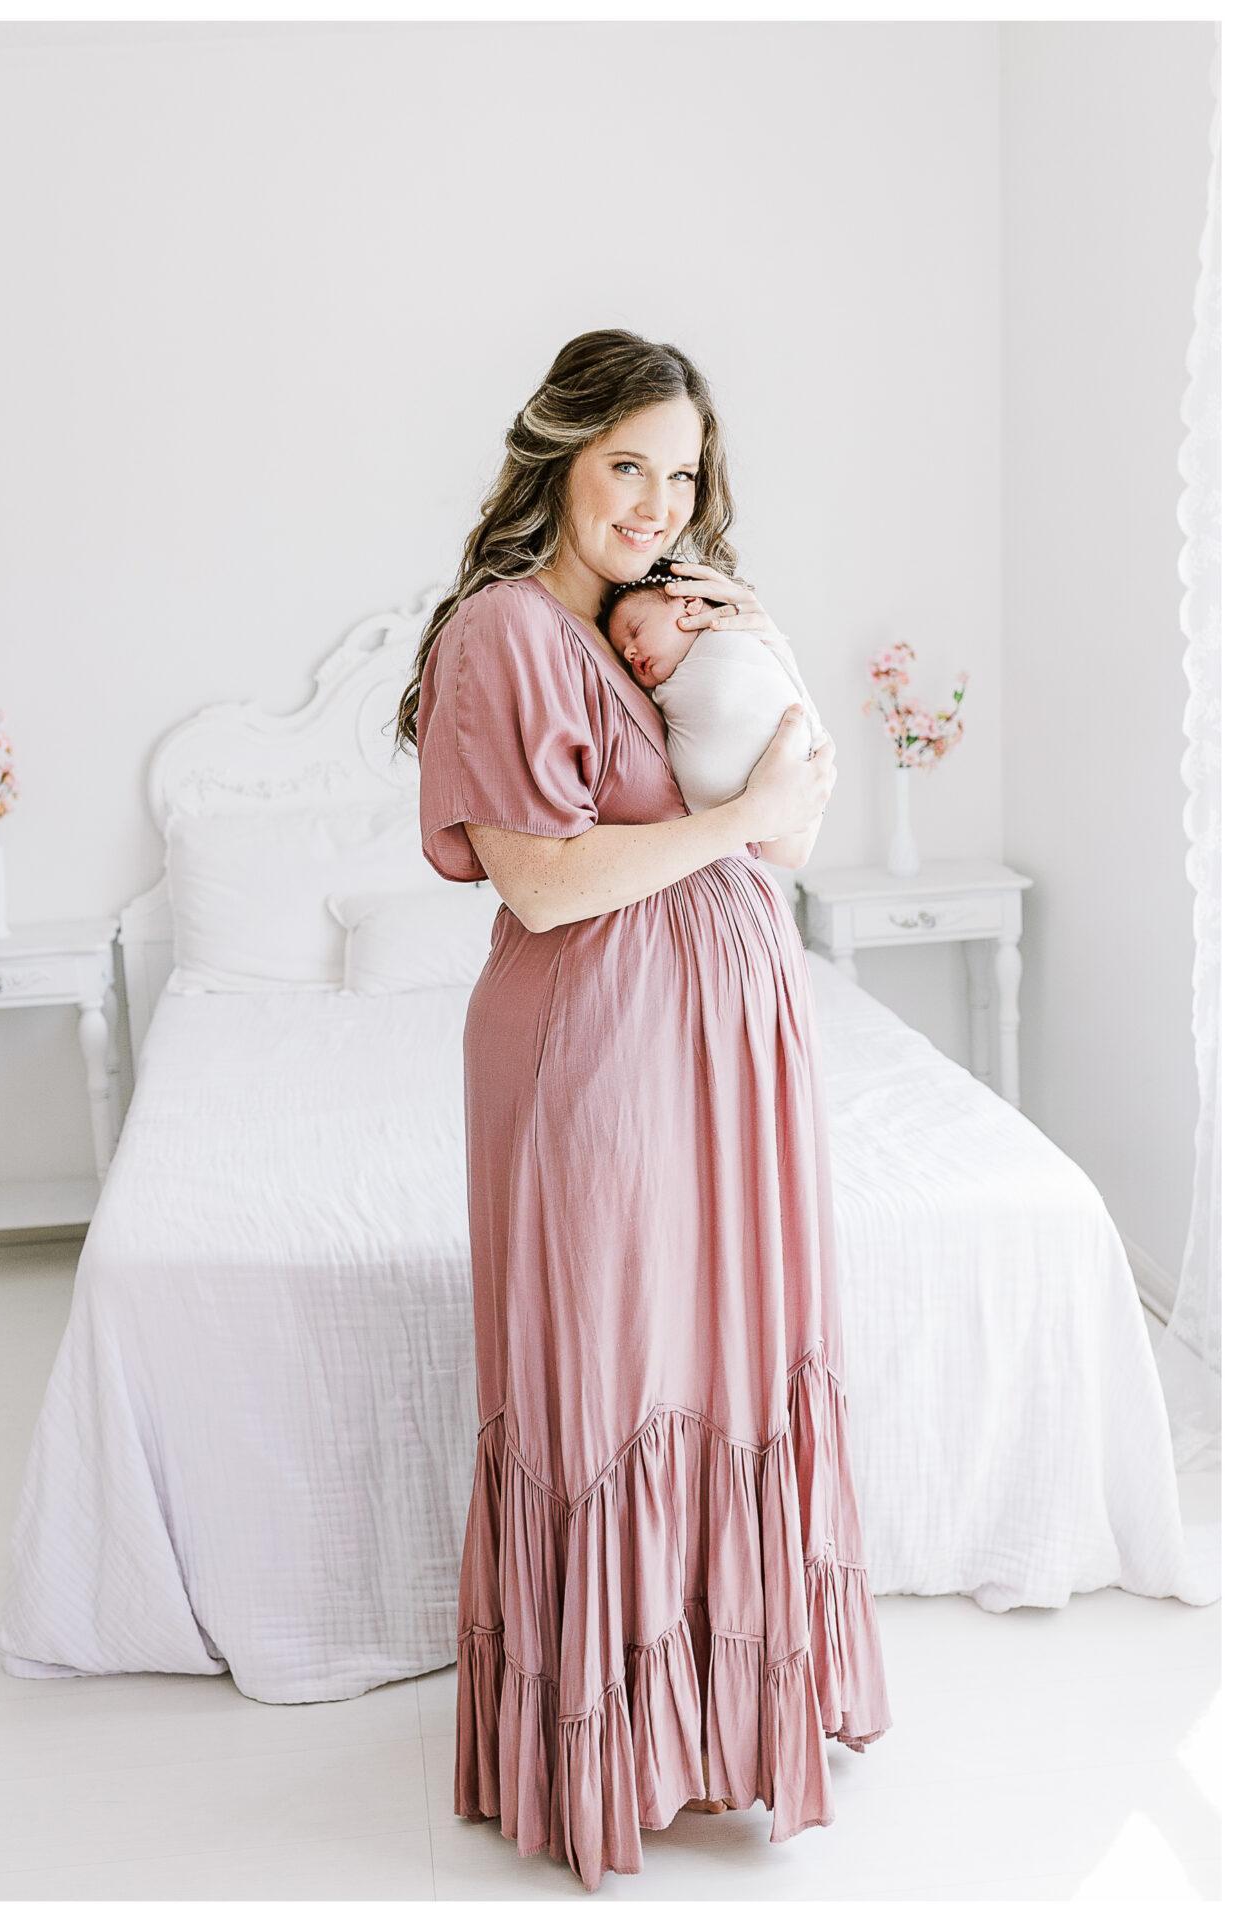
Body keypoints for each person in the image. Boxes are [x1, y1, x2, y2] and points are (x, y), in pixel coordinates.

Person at [393, 329, 891, 1894]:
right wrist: (736, 820)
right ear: (556, 454)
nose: (656, 505)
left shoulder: (646, 632)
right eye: (629, 466)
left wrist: (765, 648)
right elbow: (541, 882)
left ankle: (719, 1733)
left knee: (726, 1366)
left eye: (681, 478)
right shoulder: (503, 635)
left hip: (727, 1055)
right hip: (598, 1056)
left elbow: (799, 833)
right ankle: (602, 1744)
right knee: (610, 1385)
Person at [601, 560, 829, 817]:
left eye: (635, 630)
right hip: (734, 824)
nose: (630, 652)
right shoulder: (654, 694)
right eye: (623, 653)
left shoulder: (729, 641)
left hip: (788, 792)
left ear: (689, 603)